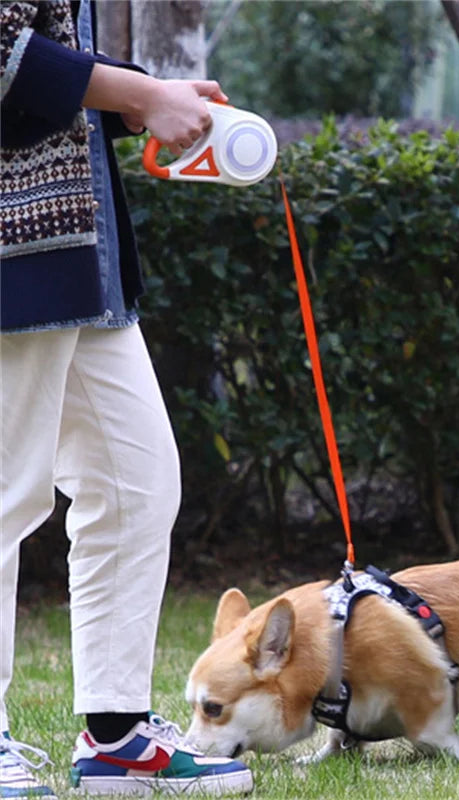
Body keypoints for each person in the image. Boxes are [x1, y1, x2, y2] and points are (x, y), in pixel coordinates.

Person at [0, 2, 253, 797]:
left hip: (78, 248)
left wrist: (150, 94)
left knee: (135, 482)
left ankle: (114, 738)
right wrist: (142, 100)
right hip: (14, 247)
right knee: (5, 493)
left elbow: (46, 72)